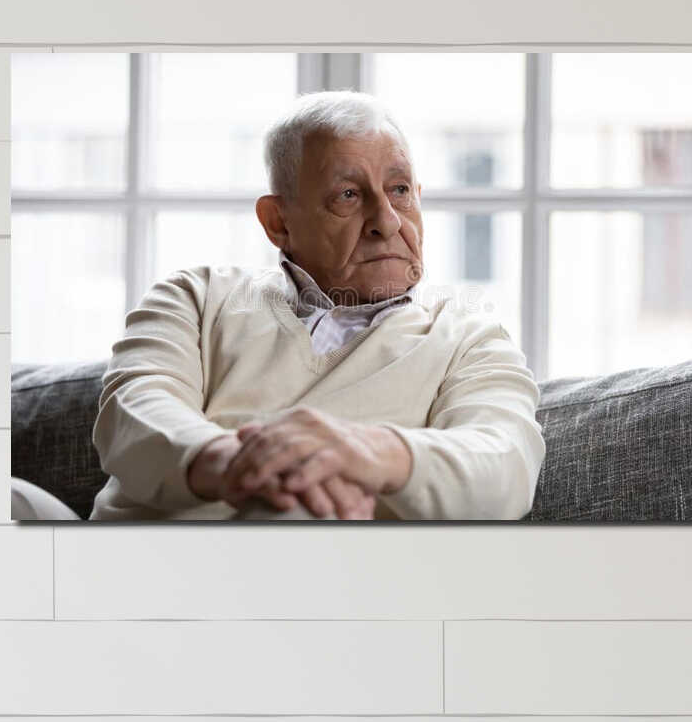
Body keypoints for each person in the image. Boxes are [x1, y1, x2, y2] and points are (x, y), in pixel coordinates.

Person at [87, 91, 544, 521]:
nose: (386, 221)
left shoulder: (468, 334)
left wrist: (370, 453)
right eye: (348, 195)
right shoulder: (196, 295)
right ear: (278, 222)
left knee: (297, 515)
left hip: (320, 576)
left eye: (400, 190)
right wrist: (233, 463)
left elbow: (506, 464)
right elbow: (133, 409)